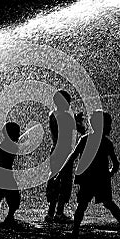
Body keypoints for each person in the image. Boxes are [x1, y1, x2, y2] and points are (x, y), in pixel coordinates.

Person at [63, 110, 120, 239]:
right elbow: (116, 164)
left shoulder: (85, 139)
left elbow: (72, 157)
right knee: (109, 204)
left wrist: (60, 172)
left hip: (87, 179)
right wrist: (108, 175)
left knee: (82, 205)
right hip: (101, 179)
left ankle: (75, 232)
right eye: (109, 124)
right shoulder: (107, 143)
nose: (110, 127)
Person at [45, 90, 79, 224]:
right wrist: (77, 120)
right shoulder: (66, 116)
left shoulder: (52, 114)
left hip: (54, 151)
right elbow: (79, 129)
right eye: (68, 102)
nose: (69, 105)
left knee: (54, 180)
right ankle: (59, 213)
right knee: (64, 182)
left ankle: (50, 213)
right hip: (65, 152)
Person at [0, 122, 21, 228]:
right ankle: (7, 218)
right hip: (5, 175)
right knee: (14, 199)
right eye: (17, 133)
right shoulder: (8, 146)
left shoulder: (2, 145)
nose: (19, 136)